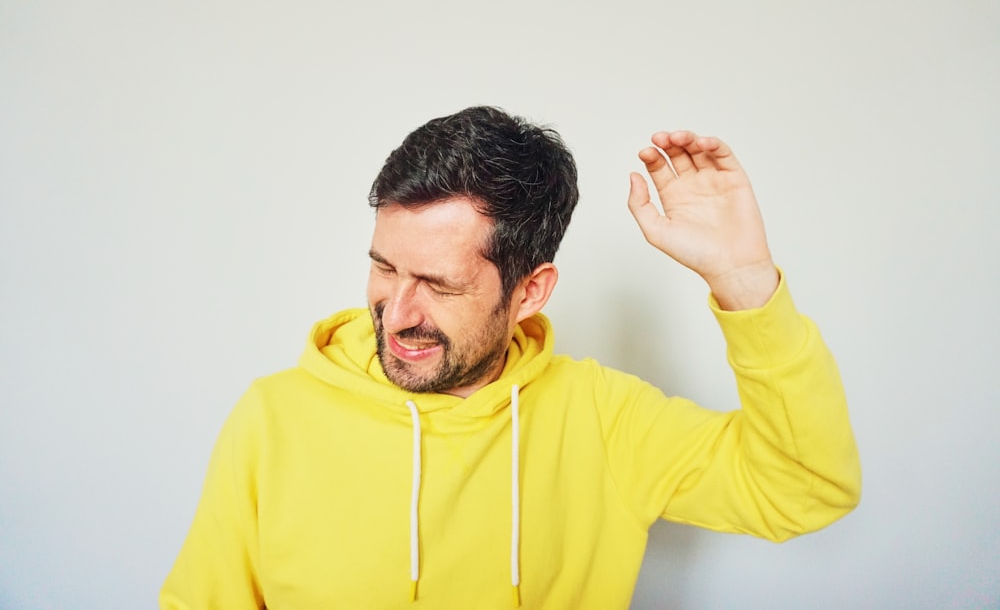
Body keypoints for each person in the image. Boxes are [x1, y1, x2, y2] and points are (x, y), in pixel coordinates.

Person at [160, 106, 861, 609]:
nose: (397, 312)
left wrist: (744, 282)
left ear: (531, 290)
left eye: (438, 283)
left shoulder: (605, 419)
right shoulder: (273, 418)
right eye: (384, 268)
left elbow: (805, 486)